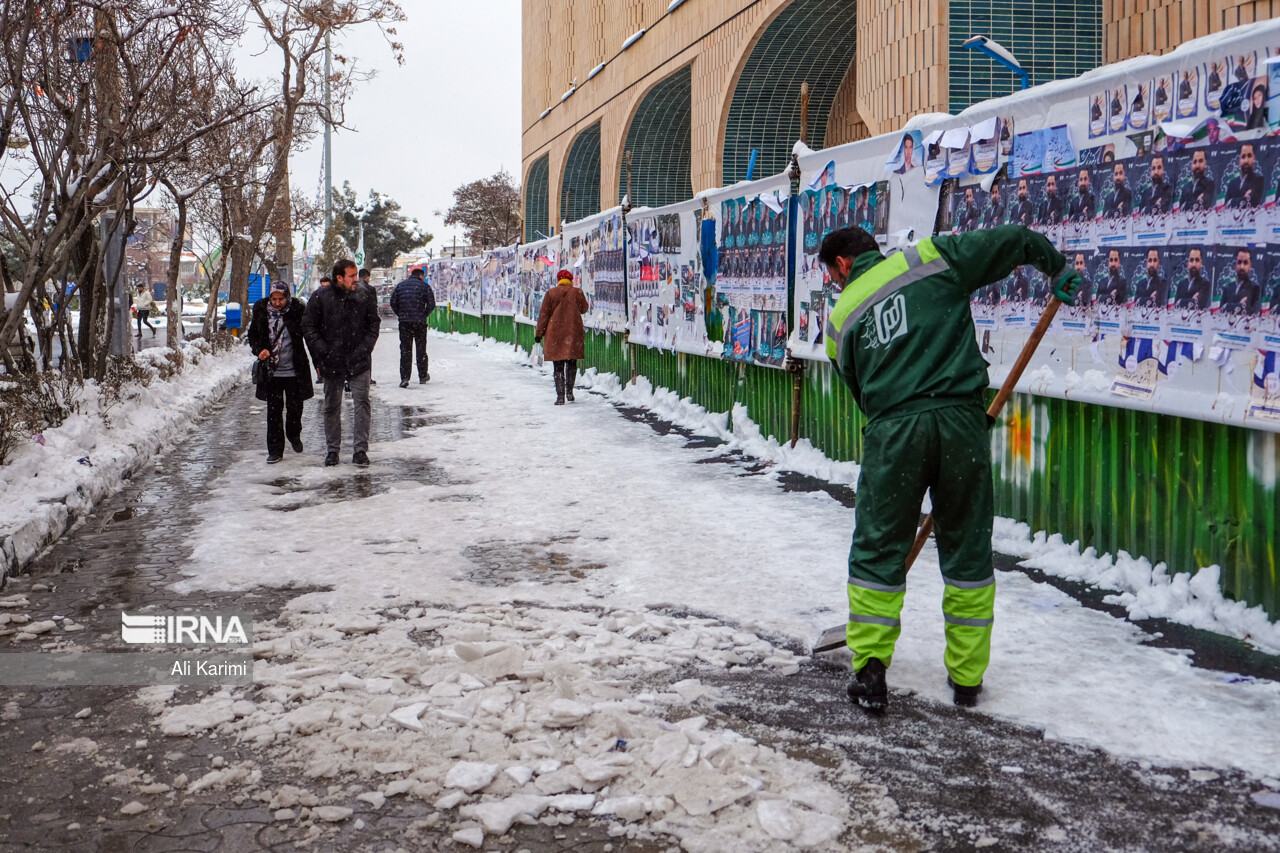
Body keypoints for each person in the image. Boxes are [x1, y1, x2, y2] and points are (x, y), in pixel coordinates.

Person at [818, 225, 1079, 714]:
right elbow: (1013, 239)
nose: (836, 283)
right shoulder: (931, 259)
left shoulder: (839, 320)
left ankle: (871, 670)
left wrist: (905, 423)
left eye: (832, 274)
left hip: (893, 434)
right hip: (961, 425)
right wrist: (1055, 266)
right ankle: (966, 680)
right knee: (967, 551)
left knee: (878, 547)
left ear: (843, 265)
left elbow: (861, 395)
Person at [303, 259, 381, 467]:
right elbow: (309, 327)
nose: (357, 280)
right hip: (332, 361)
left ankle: (360, 450)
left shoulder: (365, 295)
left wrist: (364, 349)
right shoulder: (321, 297)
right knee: (331, 406)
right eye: (352, 276)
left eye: (357, 275)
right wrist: (323, 352)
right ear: (339, 278)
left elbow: (373, 324)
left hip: (359, 360)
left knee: (362, 403)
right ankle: (332, 450)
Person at [248, 280, 314, 463]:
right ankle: (275, 450)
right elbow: (253, 335)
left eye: (281, 299)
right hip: (272, 371)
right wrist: (259, 350)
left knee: (295, 409)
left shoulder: (298, 311)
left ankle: (294, 434)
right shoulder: (262, 311)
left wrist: (319, 361)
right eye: (274, 299)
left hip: (294, 370)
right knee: (274, 412)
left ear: (287, 297)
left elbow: (309, 335)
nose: (277, 303)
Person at [534, 268, 588, 405]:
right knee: (571, 362)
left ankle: (560, 397)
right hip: (572, 332)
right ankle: (569, 392)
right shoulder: (577, 292)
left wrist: (539, 334)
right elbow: (584, 309)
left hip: (555, 333)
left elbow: (544, 315)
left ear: (559, 280)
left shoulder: (551, 293)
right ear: (570, 280)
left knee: (558, 365)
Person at [390, 267, 436, 386]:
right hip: (419, 323)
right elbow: (431, 304)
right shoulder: (425, 287)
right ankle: (422, 375)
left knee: (405, 350)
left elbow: (393, 302)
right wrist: (423, 314)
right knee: (421, 350)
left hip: (404, 323)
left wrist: (400, 314)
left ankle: (405, 378)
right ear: (421, 276)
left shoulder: (401, 286)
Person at [1219, 248, 1260, 316]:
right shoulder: (1227, 287)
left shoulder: (1255, 288)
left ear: (1250, 266)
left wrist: (1228, 306)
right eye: (1239, 262)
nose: (1242, 267)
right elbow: (1222, 310)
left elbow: (1252, 311)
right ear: (1235, 266)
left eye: (1245, 263)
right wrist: (1240, 306)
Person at [1224, 142, 1264, 209]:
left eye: (1249, 156)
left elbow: (1252, 201)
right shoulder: (1232, 183)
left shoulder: (1258, 180)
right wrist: (1244, 198)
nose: (1246, 160)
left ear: (1253, 158)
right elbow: (1226, 205)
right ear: (1239, 161)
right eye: (1243, 156)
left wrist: (1232, 201)